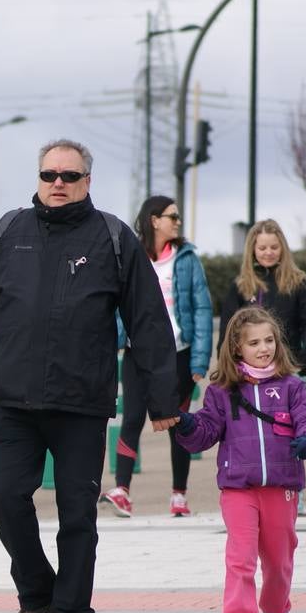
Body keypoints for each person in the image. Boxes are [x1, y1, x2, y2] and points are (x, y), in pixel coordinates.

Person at [0, 139, 179, 613]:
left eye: (69, 175)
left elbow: (148, 322)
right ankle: (37, 592)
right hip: (14, 403)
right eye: (49, 174)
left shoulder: (113, 238)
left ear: (87, 182)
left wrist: (164, 398)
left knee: (77, 518)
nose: (58, 183)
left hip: (81, 405)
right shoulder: (8, 233)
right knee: (1, 497)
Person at [175, 307, 306, 613]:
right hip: (238, 488)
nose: (264, 348)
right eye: (254, 342)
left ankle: (277, 612)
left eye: (269, 340)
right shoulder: (221, 392)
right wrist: (186, 425)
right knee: (240, 558)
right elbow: (206, 431)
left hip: (280, 486)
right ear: (236, 348)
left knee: (278, 558)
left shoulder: (291, 387)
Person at [102, 195, 212, 518]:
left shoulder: (188, 259)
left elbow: (202, 308)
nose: (177, 222)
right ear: (154, 220)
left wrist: (200, 360)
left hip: (178, 354)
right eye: (172, 217)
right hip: (138, 354)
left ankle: (179, 495)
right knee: (132, 418)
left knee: (178, 422)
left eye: (178, 217)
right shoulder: (132, 256)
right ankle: (122, 490)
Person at [217, 219, 306, 378]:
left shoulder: (298, 282)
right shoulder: (241, 285)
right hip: (248, 373)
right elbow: (228, 327)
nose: (269, 252)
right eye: (262, 248)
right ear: (253, 249)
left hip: (288, 368)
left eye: (274, 247)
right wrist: (226, 361)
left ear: (283, 248)